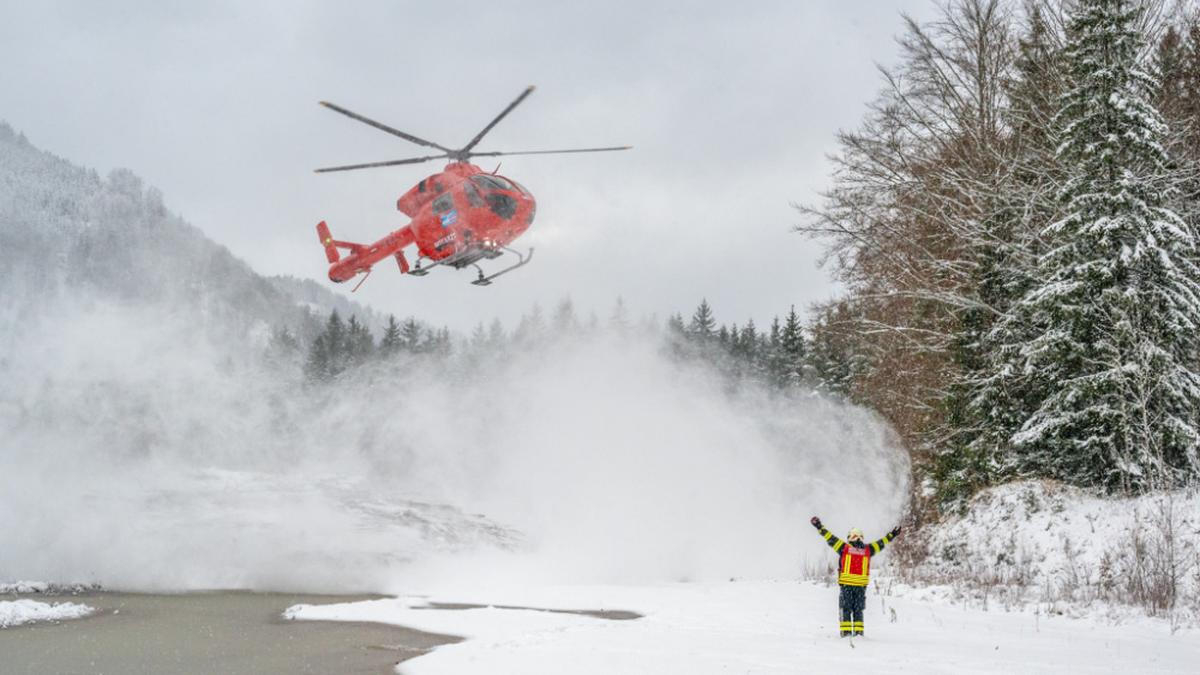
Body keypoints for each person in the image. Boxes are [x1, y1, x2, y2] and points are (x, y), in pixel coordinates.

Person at [810, 516, 901, 637]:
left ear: (850, 537)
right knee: (858, 610)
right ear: (861, 537)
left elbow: (829, 538)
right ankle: (859, 633)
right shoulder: (869, 550)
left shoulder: (844, 548)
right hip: (860, 587)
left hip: (847, 586)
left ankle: (846, 633)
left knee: (846, 609)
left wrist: (819, 527)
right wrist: (892, 535)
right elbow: (882, 542)